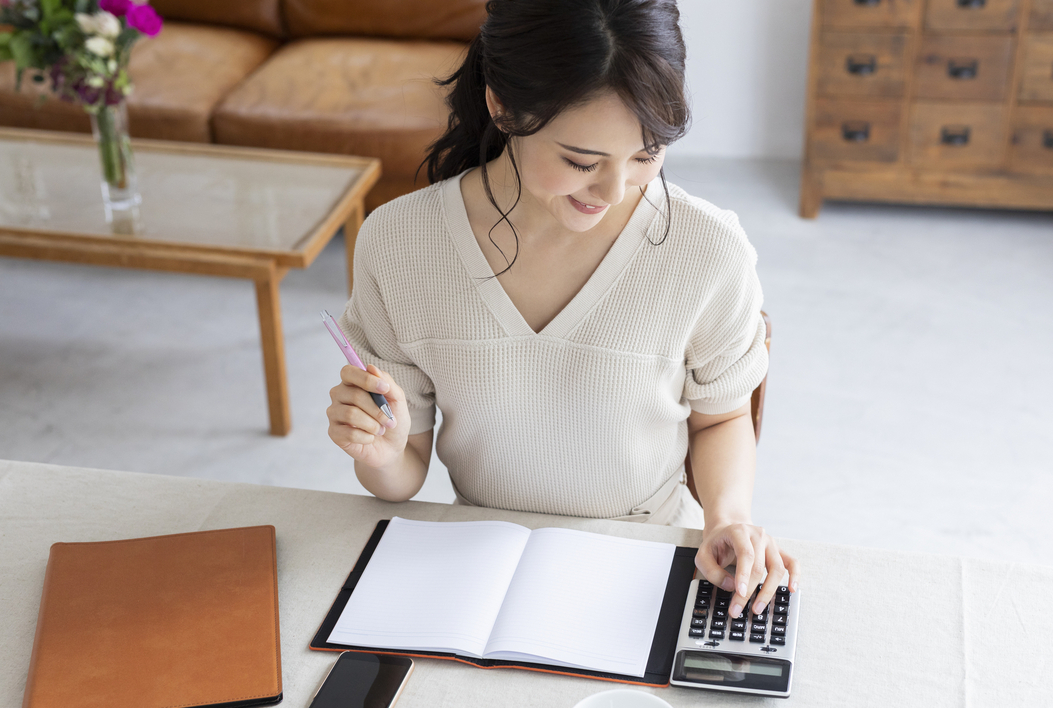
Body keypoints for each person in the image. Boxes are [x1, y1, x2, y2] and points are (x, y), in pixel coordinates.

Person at [326, 0, 799, 618]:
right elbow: (405, 470)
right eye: (581, 161)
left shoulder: (706, 249)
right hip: (475, 559)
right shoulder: (400, 244)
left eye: (647, 153)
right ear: (502, 106)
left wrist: (728, 519)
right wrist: (381, 454)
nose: (616, 191)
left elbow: (720, 420)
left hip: (643, 554)